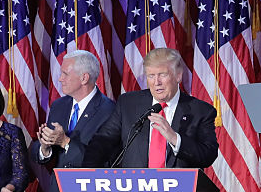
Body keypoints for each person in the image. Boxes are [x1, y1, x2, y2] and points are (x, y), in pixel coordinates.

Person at [30, 50, 115, 192]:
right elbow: (39, 151)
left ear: (84, 78)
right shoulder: (59, 106)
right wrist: (45, 147)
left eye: (65, 74)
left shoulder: (110, 110)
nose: (60, 79)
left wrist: (65, 142)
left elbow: (104, 159)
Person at [82, 47, 218, 169]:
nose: (156, 82)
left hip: (177, 191)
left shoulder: (201, 111)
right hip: (135, 190)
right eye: (151, 76)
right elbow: (102, 143)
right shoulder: (129, 103)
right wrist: (87, 177)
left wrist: (174, 138)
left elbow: (208, 156)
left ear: (178, 75)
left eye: (163, 75)